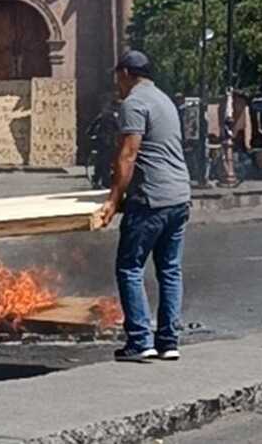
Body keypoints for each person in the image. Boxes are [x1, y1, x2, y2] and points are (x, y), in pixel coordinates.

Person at [93, 51, 191, 363]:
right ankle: (168, 341)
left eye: (116, 77)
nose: (116, 84)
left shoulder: (134, 103)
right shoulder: (164, 100)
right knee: (170, 270)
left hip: (151, 198)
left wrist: (112, 200)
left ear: (125, 73)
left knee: (130, 267)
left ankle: (139, 339)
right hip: (179, 196)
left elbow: (128, 154)